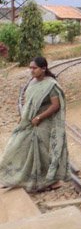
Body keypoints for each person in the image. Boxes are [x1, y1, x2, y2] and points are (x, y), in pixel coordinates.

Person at [0, 57, 70, 192]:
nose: (31, 70)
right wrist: (24, 117)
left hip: (44, 122)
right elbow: (29, 103)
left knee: (42, 152)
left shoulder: (51, 85)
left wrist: (39, 117)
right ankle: (13, 177)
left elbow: (56, 105)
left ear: (43, 68)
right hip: (29, 121)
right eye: (30, 68)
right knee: (16, 145)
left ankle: (52, 181)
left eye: (34, 68)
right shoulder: (32, 82)